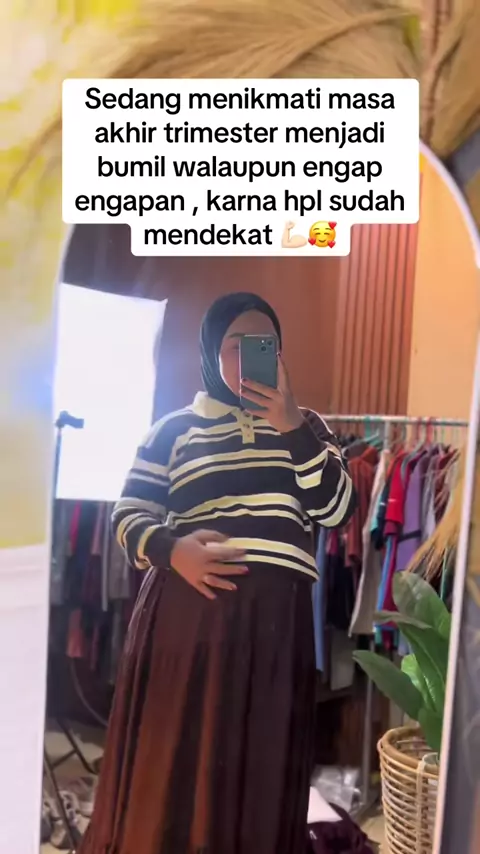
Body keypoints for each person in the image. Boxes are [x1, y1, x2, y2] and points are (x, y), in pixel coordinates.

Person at [79, 292, 355, 854]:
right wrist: (174, 550)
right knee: (179, 760)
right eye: (235, 345)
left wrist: (291, 426)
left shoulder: (308, 427)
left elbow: (337, 509)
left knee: (263, 760)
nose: (250, 356)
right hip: (188, 620)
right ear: (210, 351)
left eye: (264, 345)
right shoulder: (172, 429)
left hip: (277, 627)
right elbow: (128, 515)